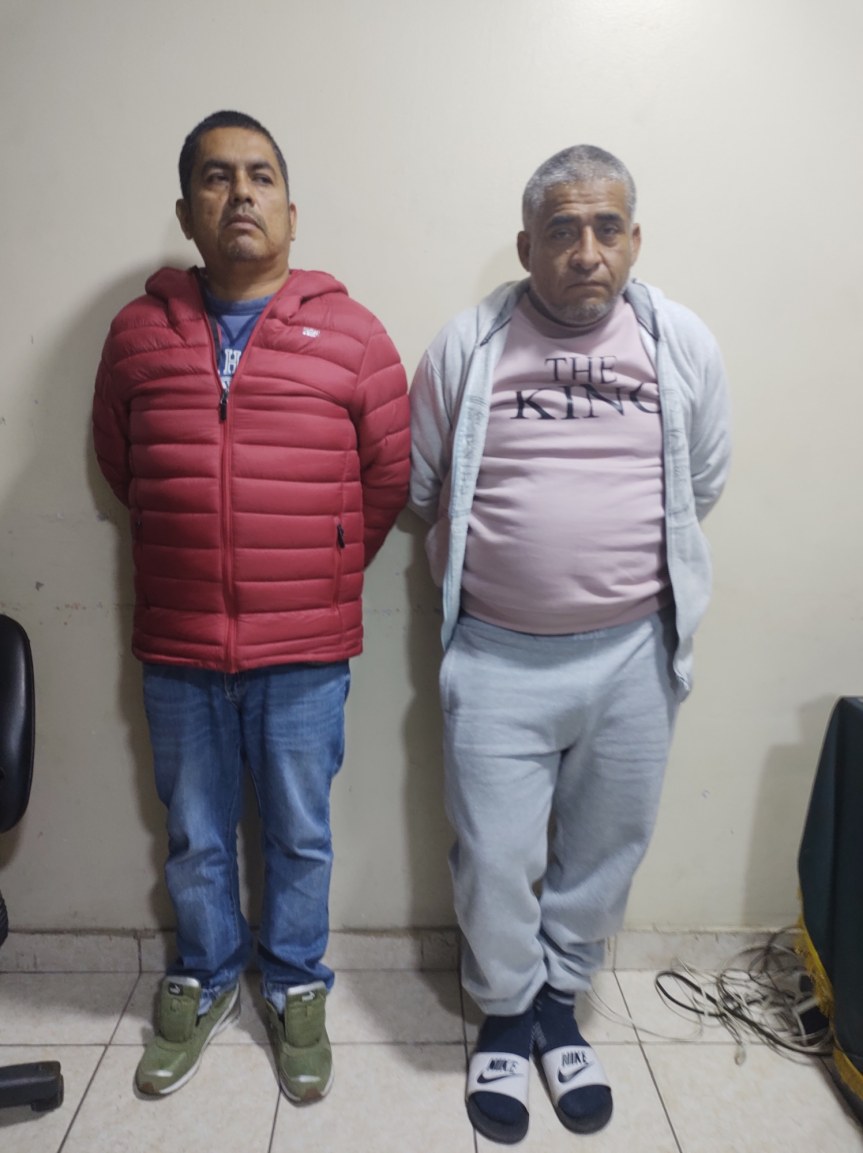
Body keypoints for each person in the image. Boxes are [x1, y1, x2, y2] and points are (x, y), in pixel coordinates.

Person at [409, 145, 730, 1143]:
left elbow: (703, 478)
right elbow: (422, 485)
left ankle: (558, 1005)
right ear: (526, 247)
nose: (585, 251)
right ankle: (505, 1012)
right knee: (494, 855)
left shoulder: (679, 342)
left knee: (603, 849)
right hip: (496, 657)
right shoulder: (467, 345)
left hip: (633, 657)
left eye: (605, 229)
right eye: (560, 231)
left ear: (632, 240)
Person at [93, 110, 410, 1103]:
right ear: (187, 211)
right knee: (194, 831)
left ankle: (296, 979)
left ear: (290, 210)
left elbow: (387, 477)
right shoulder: (138, 334)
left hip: (304, 646)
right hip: (179, 639)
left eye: (261, 176)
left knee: (299, 833)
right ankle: (205, 969)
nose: (241, 193)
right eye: (217, 177)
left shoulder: (353, 335)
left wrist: (321, 569)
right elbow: (121, 463)